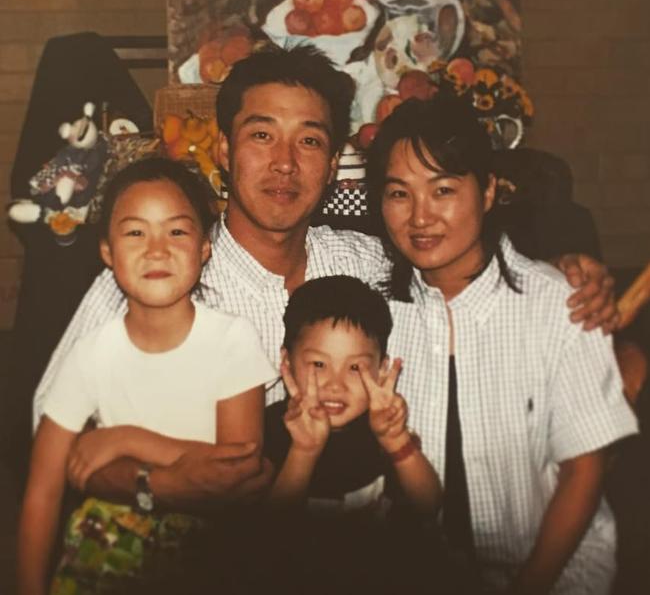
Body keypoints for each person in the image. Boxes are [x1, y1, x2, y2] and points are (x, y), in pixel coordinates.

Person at [32, 44, 618, 510]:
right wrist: (153, 486)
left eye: (309, 140)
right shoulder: (157, 276)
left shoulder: (368, 264)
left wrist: (570, 265)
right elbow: (55, 441)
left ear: (335, 162)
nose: (285, 162)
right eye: (262, 135)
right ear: (225, 149)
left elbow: (464, 260)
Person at [365, 96, 639, 594]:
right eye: (399, 194)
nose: (420, 217)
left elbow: (585, 470)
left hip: (554, 574)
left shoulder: (560, 303)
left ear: (488, 191)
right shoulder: (377, 311)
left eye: (443, 189)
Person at [17, 159, 276, 595]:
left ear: (204, 248)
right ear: (107, 252)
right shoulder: (90, 354)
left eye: (177, 231)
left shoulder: (232, 340)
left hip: (210, 556)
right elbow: (42, 492)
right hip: (105, 553)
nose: (157, 249)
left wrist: (126, 440)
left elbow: (238, 473)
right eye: (135, 232)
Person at [266, 275, 441, 514]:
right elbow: (268, 528)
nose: (336, 385)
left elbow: (429, 505)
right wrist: (303, 451)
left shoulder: (382, 430)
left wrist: (396, 440)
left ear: (381, 370)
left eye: (355, 368)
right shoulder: (267, 430)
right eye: (318, 364)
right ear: (286, 360)